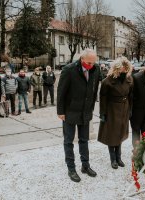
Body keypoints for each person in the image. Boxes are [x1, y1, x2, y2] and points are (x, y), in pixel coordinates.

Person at [57, 49, 100, 183]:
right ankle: (71, 169)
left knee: (84, 140)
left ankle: (85, 166)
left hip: (85, 111)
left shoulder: (96, 68)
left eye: (93, 63)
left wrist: (92, 107)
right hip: (70, 111)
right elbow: (61, 92)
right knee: (69, 141)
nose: (91, 65)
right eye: (89, 62)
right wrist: (60, 111)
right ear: (82, 59)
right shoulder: (69, 70)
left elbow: (95, 88)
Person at [98, 57, 133, 169]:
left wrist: (130, 110)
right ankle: (113, 159)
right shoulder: (107, 81)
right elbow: (103, 98)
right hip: (111, 109)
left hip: (124, 108)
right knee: (111, 134)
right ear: (117, 68)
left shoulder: (129, 80)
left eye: (126, 67)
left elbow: (131, 96)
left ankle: (119, 157)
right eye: (122, 67)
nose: (124, 69)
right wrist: (102, 113)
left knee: (121, 134)